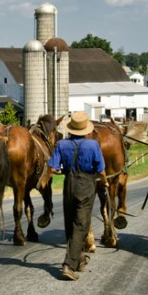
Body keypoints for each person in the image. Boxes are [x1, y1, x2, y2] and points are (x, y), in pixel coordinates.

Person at [48, 111, 108, 281]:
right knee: (81, 225)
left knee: (70, 223)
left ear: (71, 129)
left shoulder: (61, 144)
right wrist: (104, 181)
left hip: (69, 184)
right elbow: (101, 170)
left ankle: (79, 258)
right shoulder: (93, 145)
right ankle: (68, 265)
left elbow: (52, 169)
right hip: (86, 184)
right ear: (86, 130)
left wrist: (63, 171)